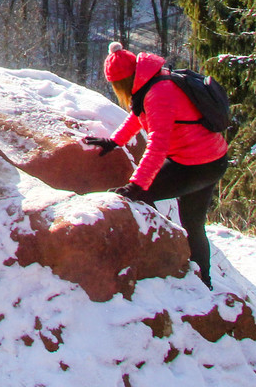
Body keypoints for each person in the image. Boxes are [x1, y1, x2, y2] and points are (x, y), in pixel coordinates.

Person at [83, 41, 229, 288]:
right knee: (193, 224)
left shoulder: (158, 93)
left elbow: (158, 145)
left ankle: (154, 260)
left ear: (123, 82)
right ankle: (204, 282)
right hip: (211, 160)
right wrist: (115, 141)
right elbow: (140, 116)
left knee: (142, 198)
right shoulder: (154, 80)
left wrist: (135, 186)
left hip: (195, 165)